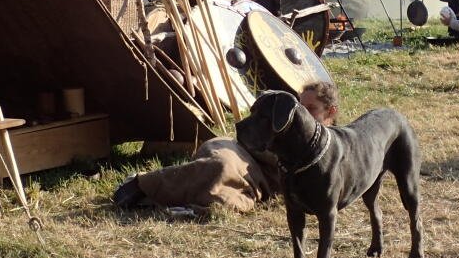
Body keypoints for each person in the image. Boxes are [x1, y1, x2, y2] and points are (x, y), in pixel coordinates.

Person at [112, 82, 338, 215]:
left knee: (229, 203)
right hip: (236, 152)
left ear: (331, 113)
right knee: (221, 167)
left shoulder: (330, 148)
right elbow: (254, 140)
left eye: (312, 108)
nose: (302, 114)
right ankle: (142, 184)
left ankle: (164, 205)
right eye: (301, 106)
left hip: (257, 183)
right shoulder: (284, 126)